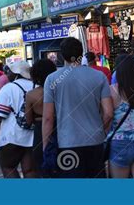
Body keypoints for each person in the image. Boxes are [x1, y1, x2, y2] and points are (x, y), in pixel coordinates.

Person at [43, 37, 113, 178]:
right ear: (81, 53)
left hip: (67, 144)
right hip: (95, 142)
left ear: (62, 55)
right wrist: (102, 130)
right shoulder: (99, 77)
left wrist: (46, 145)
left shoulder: (52, 79)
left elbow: (48, 118)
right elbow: (109, 113)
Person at [0, 61, 36, 178]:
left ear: (17, 73)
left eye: (10, 71)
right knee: (30, 170)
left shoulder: (8, 88)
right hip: (33, 137)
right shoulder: (36, 86)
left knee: (8, 167)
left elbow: (1, 114)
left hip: (11, 136)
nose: (8, 74)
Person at [25, 59, 57, 177]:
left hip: (39, 133)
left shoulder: (31, 95)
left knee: (41, 168)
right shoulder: (58, 90)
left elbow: (28, 120)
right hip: (59, 128)